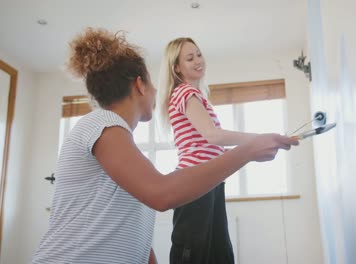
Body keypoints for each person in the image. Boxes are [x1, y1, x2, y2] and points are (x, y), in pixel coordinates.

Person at [31, 28, 298, 264]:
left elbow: (130, 231)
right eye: (152, 84)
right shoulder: (101, 124)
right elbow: (162, 194)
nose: (159, 93)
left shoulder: (123, 149)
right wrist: (248, 150)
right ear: (140, 86)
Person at [157, 37, 286, 264]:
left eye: (198, 54)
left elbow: (211, 147)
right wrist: (257, 140)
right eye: (189, 58)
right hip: (195, 181)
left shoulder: (197, 96)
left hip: (209, 182)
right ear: (176, 67)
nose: (198, 60)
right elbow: (213, 136)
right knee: (194, 254)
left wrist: (254, 148)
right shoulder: (185, 92)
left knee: (219, 255)